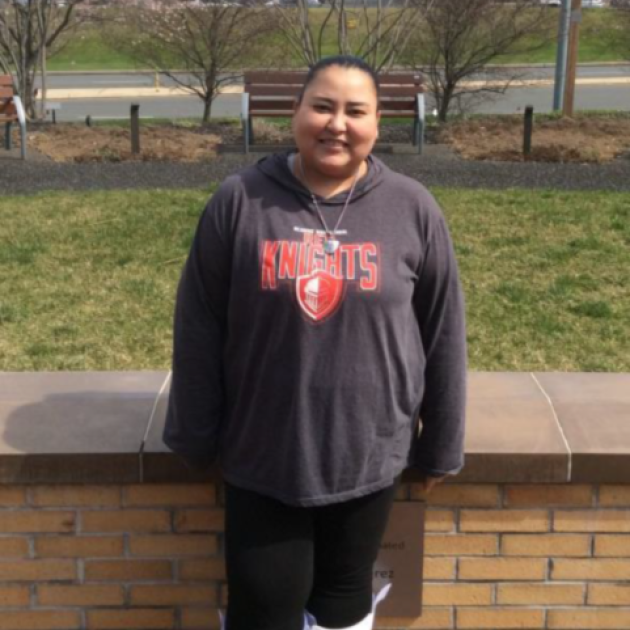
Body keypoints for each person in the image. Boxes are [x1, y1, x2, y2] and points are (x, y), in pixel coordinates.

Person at [162, 55, 467, 630]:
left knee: (344, 606)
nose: (337, 124)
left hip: (369, 452)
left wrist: (442, 445)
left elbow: (443, 331)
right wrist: (195, 436)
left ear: (377, 122)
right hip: (264, 453)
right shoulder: (240, 200)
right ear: (295, 111)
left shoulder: (412, 207)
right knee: (264, 609)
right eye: (322, 106)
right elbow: (199, 326)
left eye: (356, 111)